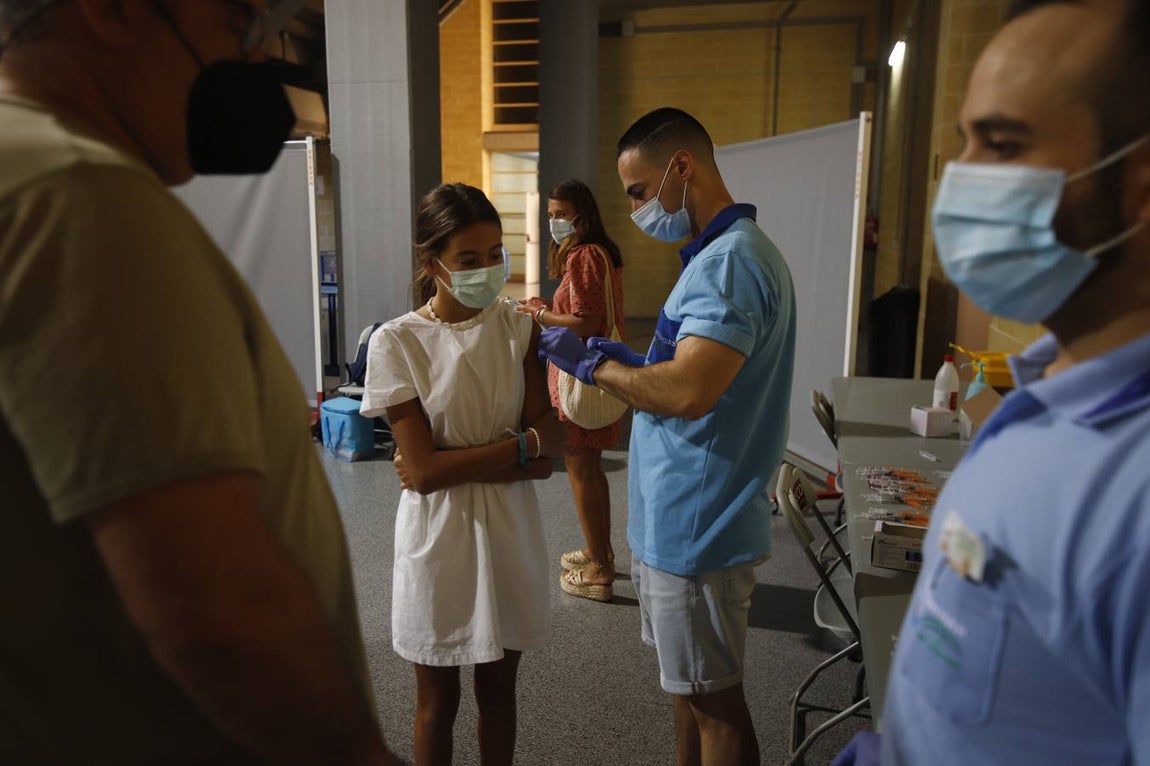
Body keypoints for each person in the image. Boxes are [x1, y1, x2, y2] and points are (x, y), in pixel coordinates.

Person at [0, 1, 396, 764]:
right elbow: (220, 612)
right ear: (110, 11)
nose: (255, 64)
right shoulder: (78, 199)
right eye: (238, 25)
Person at [842, 1, 1150, 764]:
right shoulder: (1048, 389)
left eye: (1004, 146)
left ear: (1140, 190)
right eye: (966, 143)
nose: (963, 180)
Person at [539, 107, 797, 765]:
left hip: (698, 524)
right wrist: (623, 358)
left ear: (682, 167)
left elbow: (688, 390)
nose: (635, 209)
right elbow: (688, 371)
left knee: (716, 710)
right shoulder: (717, 257)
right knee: (690, 694)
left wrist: (600, 366)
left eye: (637, 191)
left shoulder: (731, 265)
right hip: (680, 519)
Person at [360, 183, 566, 766]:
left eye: (496, 253)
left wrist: (477, 459)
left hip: (508, 531)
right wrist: (516, 448)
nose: (487, 269)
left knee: (500, 692)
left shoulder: (517, 329)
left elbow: (547, 454)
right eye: (468, 260)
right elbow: (424, 476)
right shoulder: (397, 342)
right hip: (439, 537)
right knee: (436, 701)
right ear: (433, 264)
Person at [517, 178, 626, 602]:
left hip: (579, 376)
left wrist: (541, 312)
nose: (554, 223)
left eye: (561, 215)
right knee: (591, 469)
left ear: (582, 215)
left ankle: (599, 570)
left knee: (581, 471)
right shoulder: (603, 253)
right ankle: (602, 551)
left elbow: (584, 322)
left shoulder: (581, 257)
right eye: (550, 216)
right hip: (594, 371)